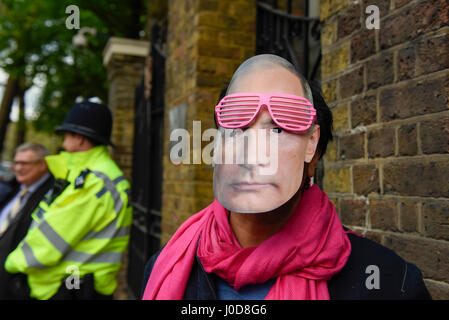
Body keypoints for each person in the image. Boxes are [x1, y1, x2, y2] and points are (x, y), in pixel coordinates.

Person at [141, 54, 431, 300]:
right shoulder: (168, 266)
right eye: (237, 124)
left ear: (312, 150)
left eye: (279, 128)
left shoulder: (390, 283)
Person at [4, 101, 132, 300]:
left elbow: (50, 241)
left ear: (80, 139)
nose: (63, 143)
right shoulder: (91, 174)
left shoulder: (93, 181)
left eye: (66, 136)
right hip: (77, 286)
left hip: (67, 289)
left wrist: (11, 263)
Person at [0, 143, 54, 299]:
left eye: (24, 163)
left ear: (42, 164)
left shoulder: (50, 196)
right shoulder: (16, 188)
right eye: (16, 163)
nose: (18, 168)